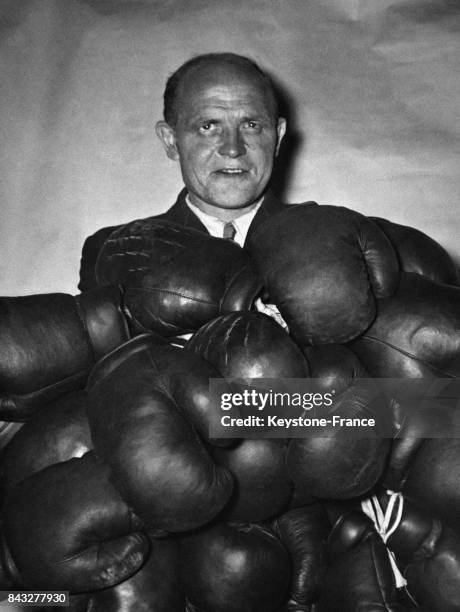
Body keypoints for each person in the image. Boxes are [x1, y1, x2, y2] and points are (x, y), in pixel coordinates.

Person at [78, 52, 316, 293]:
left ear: (278, 137)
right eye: (208, 127)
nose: (233, 148)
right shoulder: (120, 255)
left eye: (251, 126)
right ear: (171, 141)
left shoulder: (324, 242)